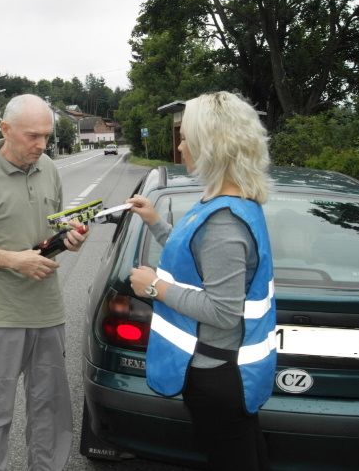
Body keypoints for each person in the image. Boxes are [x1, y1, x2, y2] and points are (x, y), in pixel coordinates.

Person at [127, 91, 276, 470]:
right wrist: (156, 223)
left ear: (210, 146)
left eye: (186, 137)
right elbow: (194, 256)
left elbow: (223, 312)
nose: (179, 145)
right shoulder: (230, 201)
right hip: (224, 371)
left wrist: (152, 286)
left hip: (216, 375)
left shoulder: (224, 221)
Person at [0, 94, 89, 471]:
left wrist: (68, 239)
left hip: (47, 311)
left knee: (50, 410)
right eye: (33, 136)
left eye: (46, 135)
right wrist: (14, 261)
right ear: (5, 130)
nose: (42, 144)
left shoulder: (50, 170)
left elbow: (52, 232)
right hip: (1, 315)